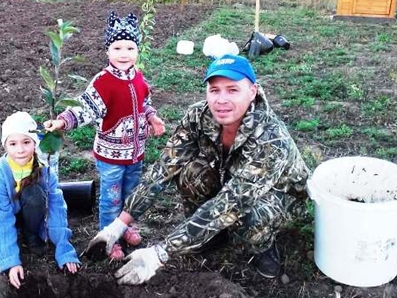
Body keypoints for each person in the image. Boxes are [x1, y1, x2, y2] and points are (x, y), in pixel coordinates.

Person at [85, 54, 311, 285]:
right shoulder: (198, 116)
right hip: (233, 181)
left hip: (280, 196)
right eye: (214, 90)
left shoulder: (270, 139)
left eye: (233, 90)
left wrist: (158, 254)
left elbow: (231, 202)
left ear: (252, 92)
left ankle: (263, 246)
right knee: (191, 173)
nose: (221, 100)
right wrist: (118, 225)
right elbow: (164, 167)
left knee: (249, 217)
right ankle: (209, 237)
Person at [43, 11, 166, 261]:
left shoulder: (139, 78)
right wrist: (63, 121)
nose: (124, 53)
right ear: (107, 50)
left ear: (137, 50)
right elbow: (85, 107)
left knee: (131, 193)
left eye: (130, 47)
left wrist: (152, 117)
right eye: (117, 47)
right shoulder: (103, 82)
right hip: (111, 157)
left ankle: (126, 226)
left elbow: (145, 102)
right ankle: (109, 235)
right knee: (111, 197)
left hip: (135, 154)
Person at [0, 111, 80, 289]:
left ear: (34, 143)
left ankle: (31, 235)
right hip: (3, 212)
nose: (20, 149)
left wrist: (64, 249)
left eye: (26, 142)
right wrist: (11, 261)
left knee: (35, 194)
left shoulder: (44, 171)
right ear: (5, 146)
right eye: (13, 144)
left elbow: (56, 209)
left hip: (28, 214)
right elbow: (3, 216)